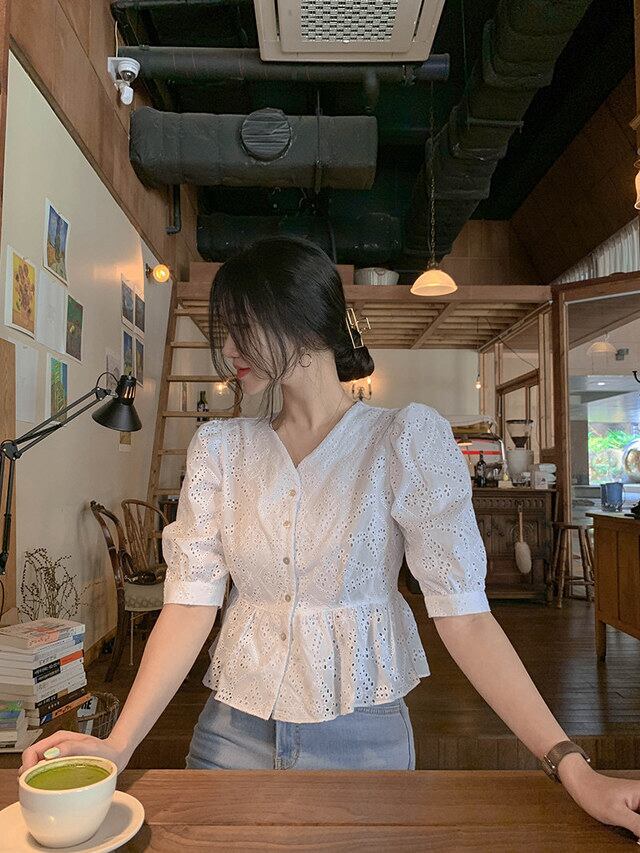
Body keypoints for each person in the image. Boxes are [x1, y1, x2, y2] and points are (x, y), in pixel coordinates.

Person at [21, 238, 640, 836]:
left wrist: (573, 766)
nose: (229, 349)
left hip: (364, 738)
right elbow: (188, 607)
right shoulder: (221, 449)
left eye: (244, 327)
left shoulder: (402, 440)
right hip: (230, 736)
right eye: (224, 331)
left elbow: (467, 619)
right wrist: (118, 745)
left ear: (304, 319)